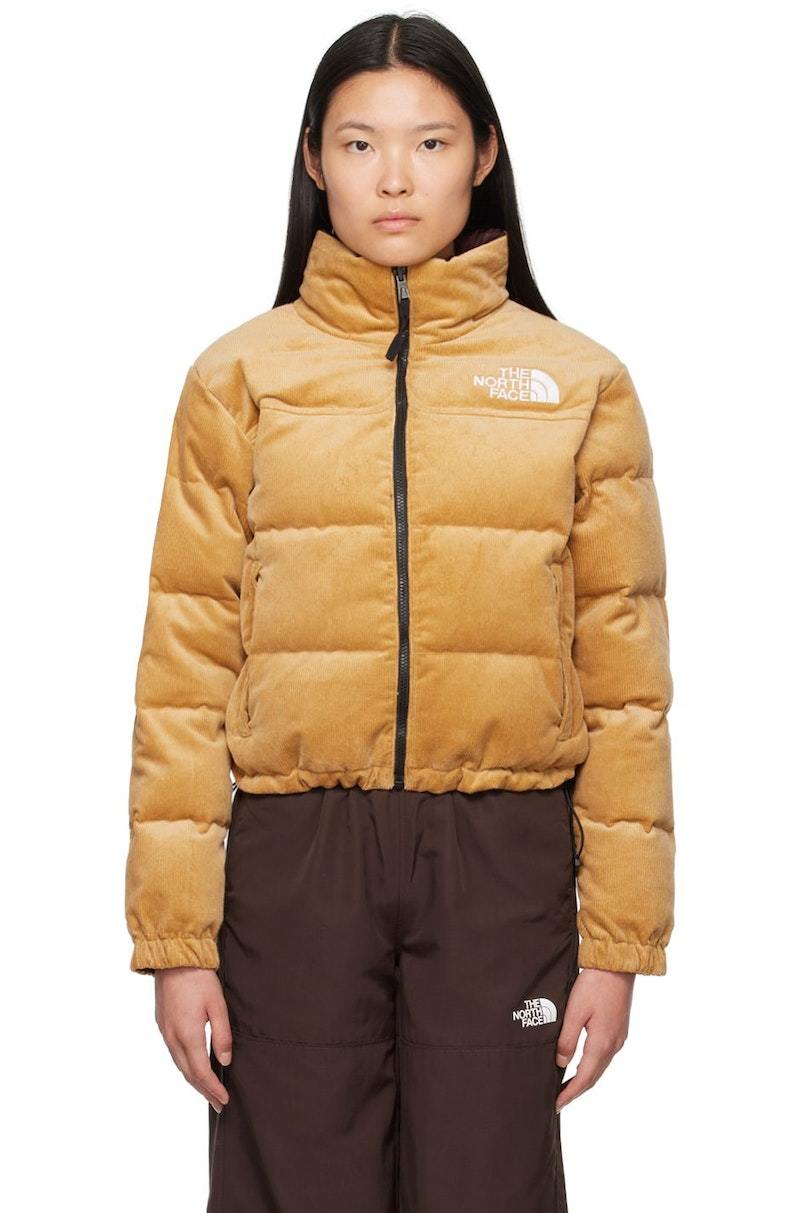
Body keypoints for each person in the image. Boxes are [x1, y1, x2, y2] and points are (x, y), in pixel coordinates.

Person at [124, 13, 676, 1212]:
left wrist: (619, 944)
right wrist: (174, 940)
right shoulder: (238, 378)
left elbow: (625, 683)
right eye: (357, 142)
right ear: (312, 160)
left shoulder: (577, 382)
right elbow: (184, 669)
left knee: (488, 1187)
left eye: (428, 142)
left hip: (502, 857)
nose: (392, 177)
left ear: (482, 154)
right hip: (293, 862)